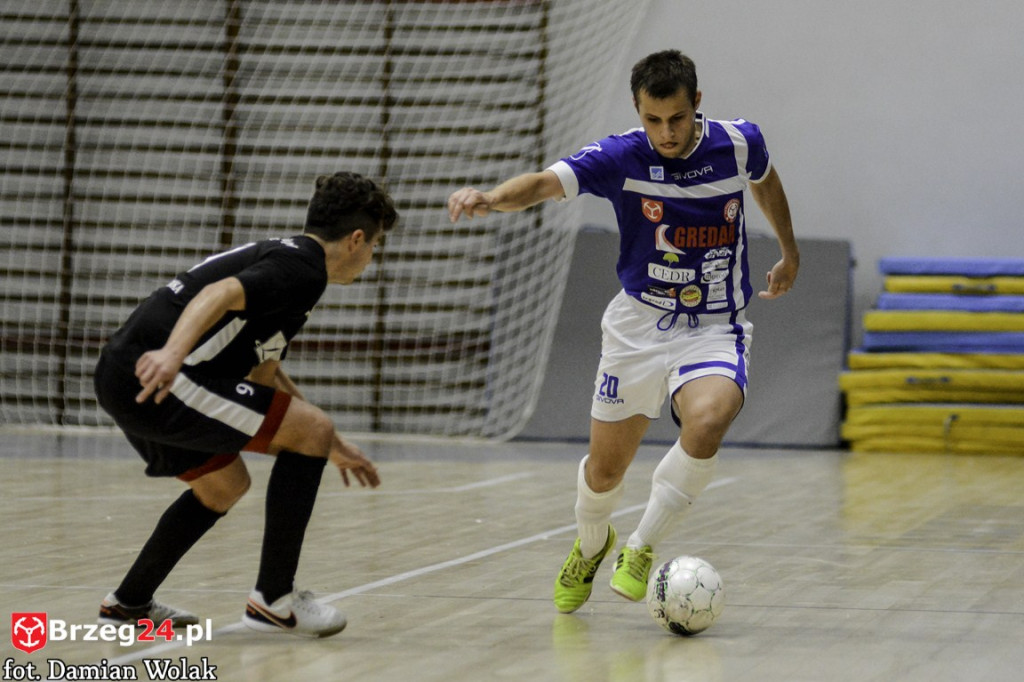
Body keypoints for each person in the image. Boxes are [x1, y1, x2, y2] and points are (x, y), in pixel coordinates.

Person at [448, 50, 798, 613]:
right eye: (653, 120)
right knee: (605, 470)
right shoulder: (619, 156)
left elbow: (766, 181)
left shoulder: (739, 143)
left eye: (677, 119)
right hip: (637, 326)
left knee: (709, 418)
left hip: (713, 326)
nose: (665, 132)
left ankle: (641, 545)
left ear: (697, 105)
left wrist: (788, 248)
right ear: (639, 111)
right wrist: (491, 198)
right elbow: (543, 183)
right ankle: (592, 545)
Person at [93, 171, 397, 637]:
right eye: (376, 245)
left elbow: (264, 374)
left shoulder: (292, 263)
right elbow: (220, 294)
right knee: (309, 430)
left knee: (224, 485)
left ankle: (128, 603)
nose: (372, 258)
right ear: (357, 239)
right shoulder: (304, 268)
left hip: (124, 376)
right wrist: (174, 355)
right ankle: (273, 602)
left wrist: (331, 444)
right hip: (163, 375)